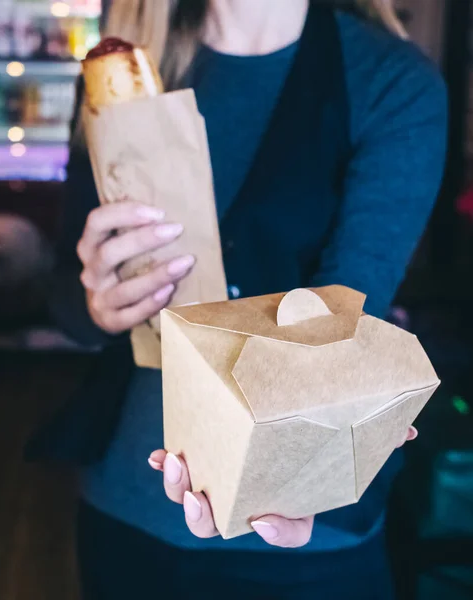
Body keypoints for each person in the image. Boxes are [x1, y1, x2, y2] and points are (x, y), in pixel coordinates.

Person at [49, 0, 448, 597]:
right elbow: (64, 299)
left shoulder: (392, 84)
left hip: (302, 534)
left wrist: (299, 474)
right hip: (127, 507)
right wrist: (95, 305)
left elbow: (347, 321)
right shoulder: (126, 63)